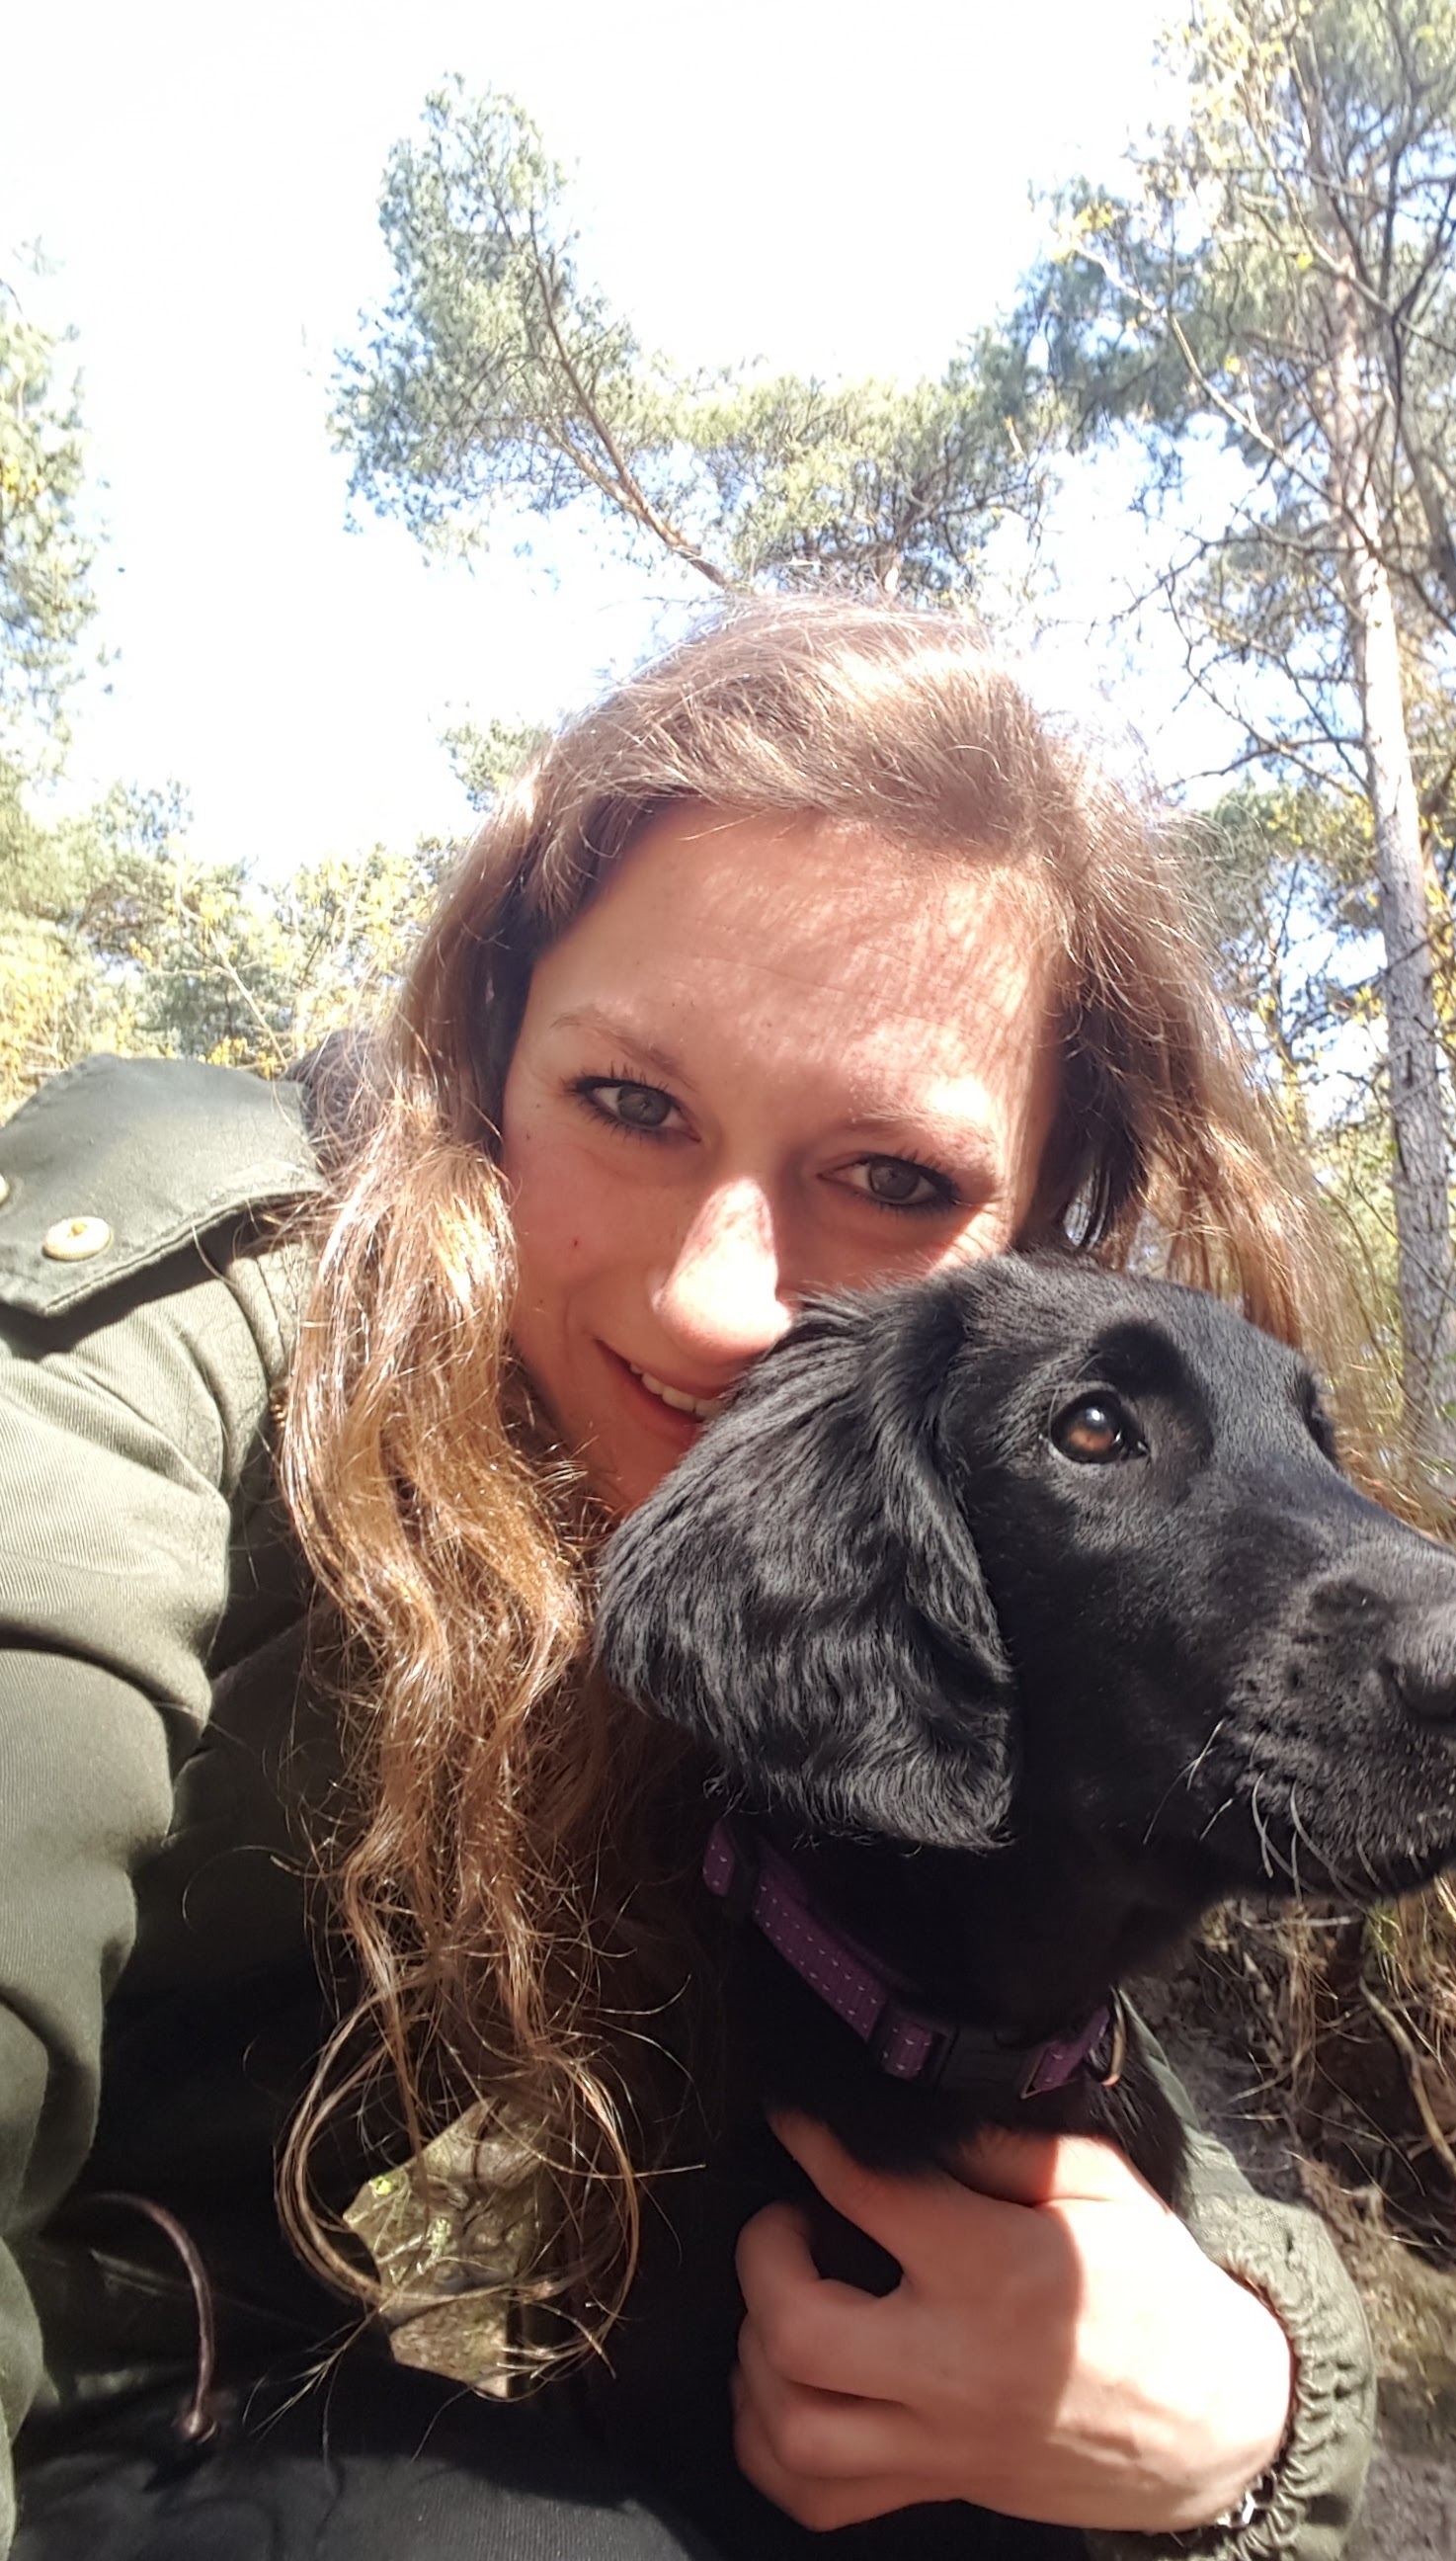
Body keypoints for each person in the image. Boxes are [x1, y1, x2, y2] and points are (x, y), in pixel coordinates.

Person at [0, 598, 1376, 2560]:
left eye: (893, 1180)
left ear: (1038, 1250)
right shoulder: (178, 1351)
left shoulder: (834, 1558)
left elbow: (1009, 1979)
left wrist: (1257, 2386)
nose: (720, 1301)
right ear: (487, 1056)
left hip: (237, 2396)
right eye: (631, 1106)